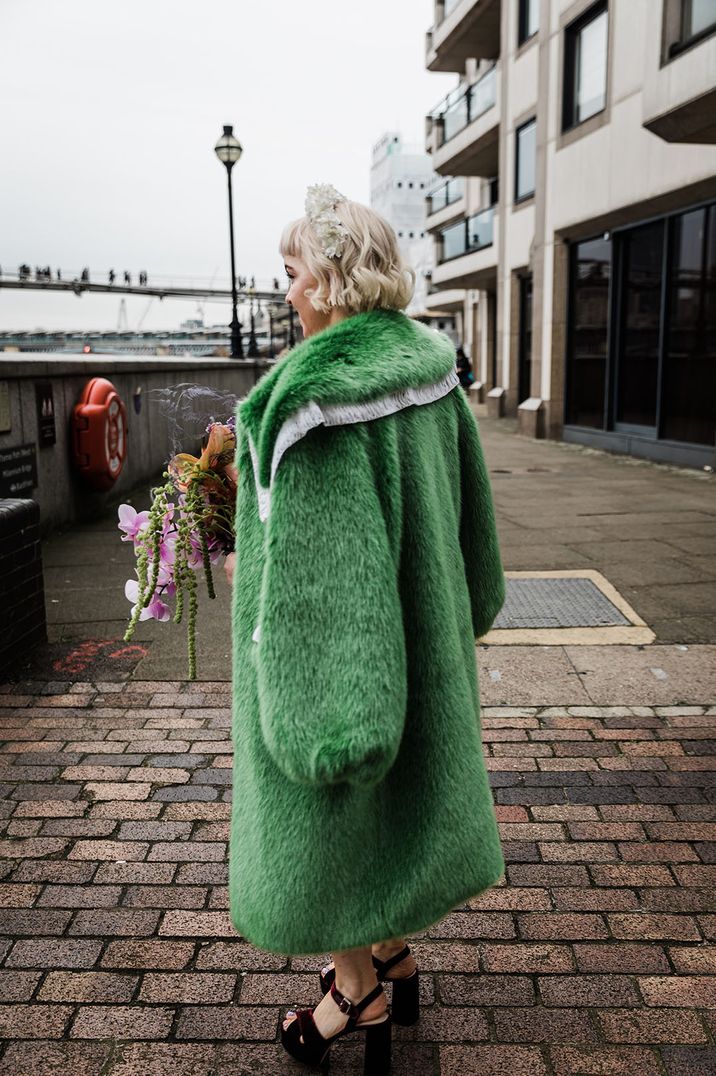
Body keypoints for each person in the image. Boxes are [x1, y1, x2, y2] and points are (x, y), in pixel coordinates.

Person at [223, 184, 505, 1073]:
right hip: (422, 632)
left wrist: (322, 730)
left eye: (294, 272)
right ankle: (393, 949)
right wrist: (471, 602)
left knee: (337, 808)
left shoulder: (311, 406)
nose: (288, 290)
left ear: (336, 281)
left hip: (337, 668)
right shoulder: (427, 362)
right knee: (396, 791)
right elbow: (475, 518)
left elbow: (327, 590)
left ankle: (356, 990)